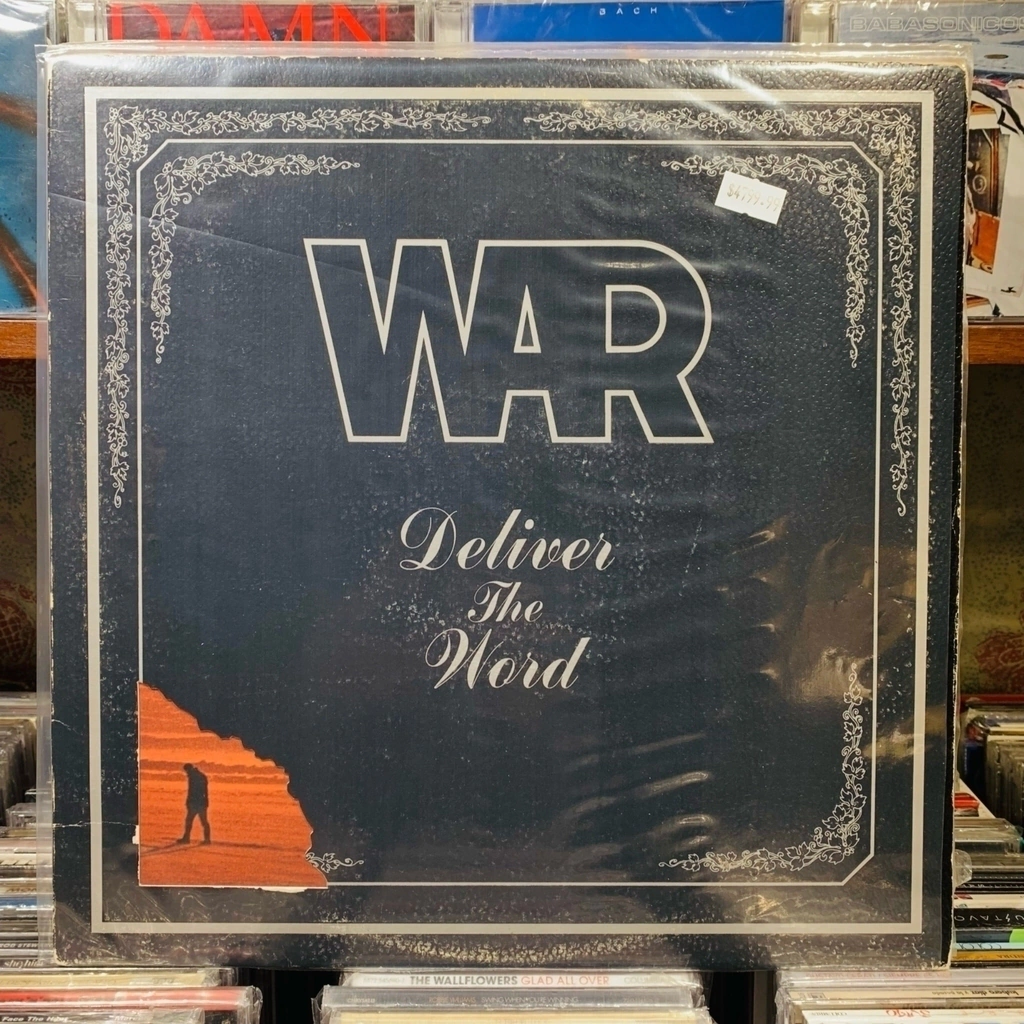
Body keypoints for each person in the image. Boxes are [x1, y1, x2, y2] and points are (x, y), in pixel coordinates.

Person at [177, 763, 211, 845]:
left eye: (186, 771)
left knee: (189, 821)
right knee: (204, 821)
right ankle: (207, 839)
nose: (186, 773)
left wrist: (188, 802)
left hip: (195, 803)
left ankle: (186, 838)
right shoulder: (202, 776)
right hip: (202, 802)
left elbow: (191, 791)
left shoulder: (192, 777)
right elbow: (205, 791)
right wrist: (206, 801)